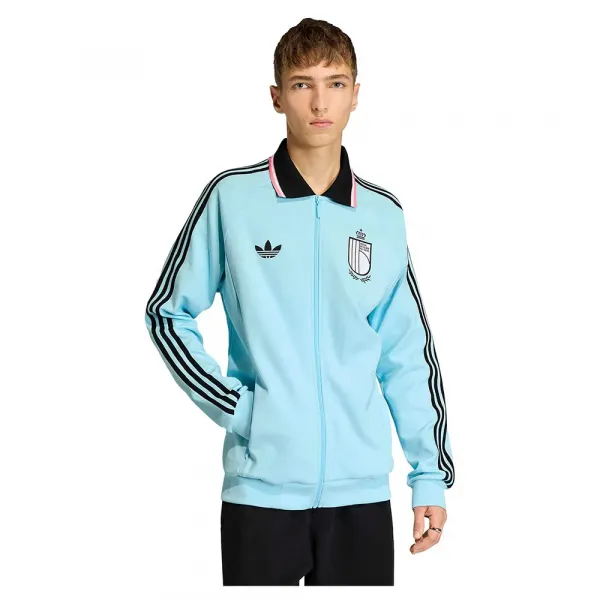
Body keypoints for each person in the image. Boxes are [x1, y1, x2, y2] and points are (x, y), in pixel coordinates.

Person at [144, 17, 455, 586]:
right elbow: (167, 312)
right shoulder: (231, 199)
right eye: (302, 83)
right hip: (260, 494)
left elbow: (407, 355)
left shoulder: (382, 216)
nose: (319, 102)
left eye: (335, 83)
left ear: (356, 95)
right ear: (276, 96)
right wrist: (241, 410)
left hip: (361, 495)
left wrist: (428, 475)